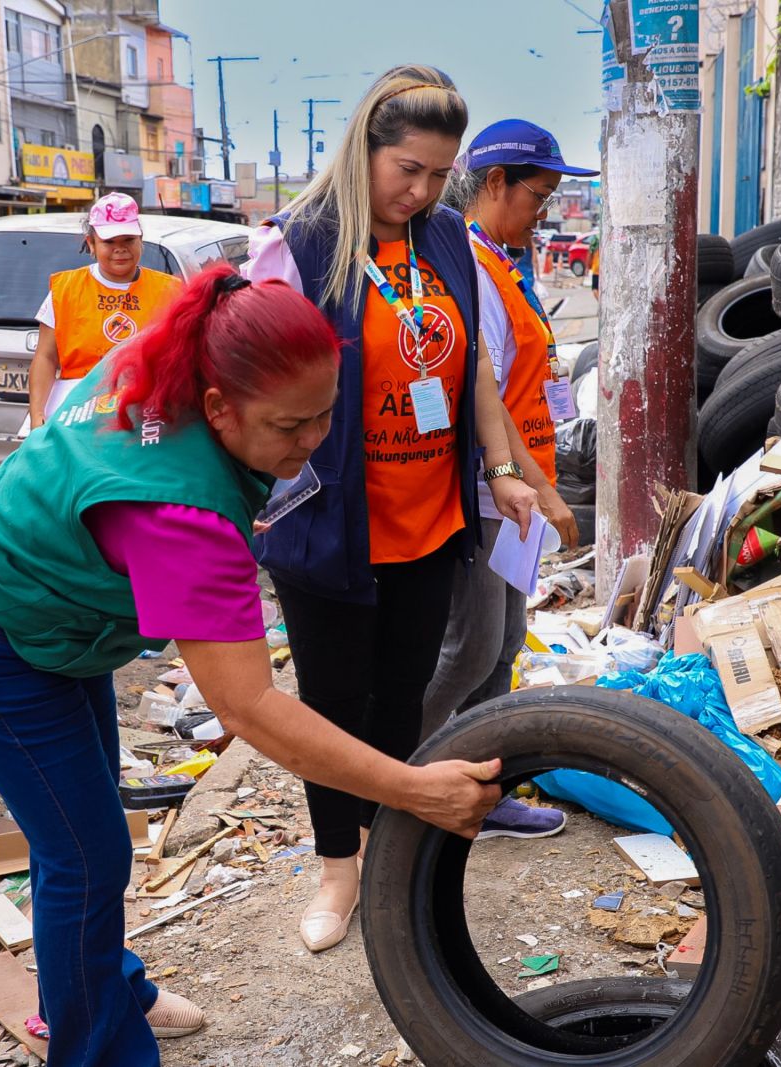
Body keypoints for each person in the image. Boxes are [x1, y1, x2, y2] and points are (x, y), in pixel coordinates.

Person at [0, 263, 501, 1067]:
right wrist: (412, 788)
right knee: (86, 854)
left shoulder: (192, 342)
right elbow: (249, 707)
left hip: (51, 616)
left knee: (83, 839)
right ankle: (97, 1049)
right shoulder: (181, 516)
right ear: (218, 407)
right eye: (289, 426)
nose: (314, 441)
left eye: (326, 413)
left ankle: (104, 984)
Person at [244, 64, 545, 953]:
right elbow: (255, 383)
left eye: (439, 174)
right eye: (407, 169)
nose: (420, 191)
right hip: (331, 519)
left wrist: (502, 470)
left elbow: (475, 367)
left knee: (402, 693)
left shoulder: (446, 239)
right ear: (365, 149)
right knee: (333, 701)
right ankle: (337, 866)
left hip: (429, 517)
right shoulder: (303, 245)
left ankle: (382, 845)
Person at [419, 120, 596, 834]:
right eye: (538, 196)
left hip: (517, 494)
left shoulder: (503, 263)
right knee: (470, 649)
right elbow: (482, 394)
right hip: (492, 492)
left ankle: (482, 791)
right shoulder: (472, 267)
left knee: (503, 646)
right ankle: (394, 777)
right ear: (495, 183)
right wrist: (542, 490)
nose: (544, 213)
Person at [28, 192, 183, 429]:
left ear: (140, 240)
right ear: (91, 243)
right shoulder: (66, 289)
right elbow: (46, 357)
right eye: (109, 242)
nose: (120, 249)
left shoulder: (171, 290)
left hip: (147, 414)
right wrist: (37, 415)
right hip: (77, 412)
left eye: (128, 240)